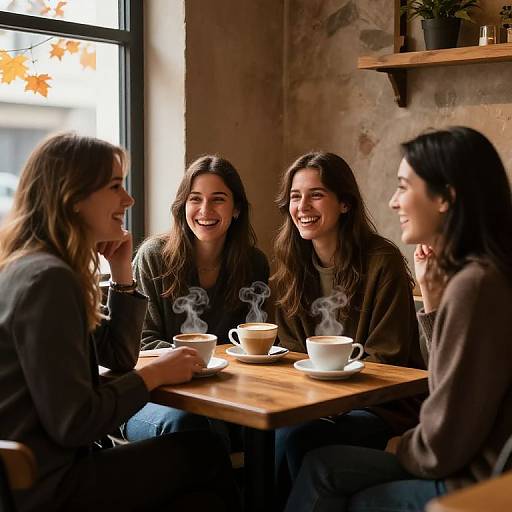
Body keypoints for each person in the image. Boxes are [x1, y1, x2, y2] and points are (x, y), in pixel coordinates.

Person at [0, 133, 240, 512]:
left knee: (199, 497)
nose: (128, 199)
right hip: (48, 486)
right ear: (73, 197)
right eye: (115, 186)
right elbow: (76, 423)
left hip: (44, 476)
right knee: (205, 452)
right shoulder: (48, 280)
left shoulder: (36, 267)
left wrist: (121, 272)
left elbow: (119, 356)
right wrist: (155, 374)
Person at [284, 127, 512, 512]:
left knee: (336, 479)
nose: (393, 202)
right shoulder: (481, 276)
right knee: (317, 460)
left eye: (404, 187)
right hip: (468, 462)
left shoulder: (476, 285)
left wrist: (405, 444)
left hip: (474, 480)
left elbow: (446, 437)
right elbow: (454, 390)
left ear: (445, 198)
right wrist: (435, 300)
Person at [271, 151, 424, 507]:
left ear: (344, 204)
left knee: (299, 439)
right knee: (281, 434)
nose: (303, 206)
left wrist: (327, 399)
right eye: (296, 196)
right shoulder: (290, 263)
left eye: (317, 194)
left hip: (383, 406)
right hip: (312, 404)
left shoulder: (380, 261)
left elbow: (387, 357)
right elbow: (291, 351)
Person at [122, 155, 269, 443]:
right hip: (152, 398)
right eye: (195, 199)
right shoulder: (154, 257)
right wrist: (205, 364)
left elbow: (255, 340)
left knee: (270, 427)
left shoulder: (254, 263)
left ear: (236, 208)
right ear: (182, 206)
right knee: (198, 427)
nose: (205, 210)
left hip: (224, 394)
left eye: (218, 199)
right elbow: (141, 344)